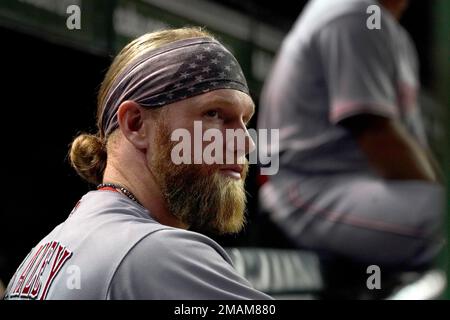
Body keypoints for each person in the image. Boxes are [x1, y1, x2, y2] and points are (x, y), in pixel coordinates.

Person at [3, 27, 272, 300]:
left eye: (245, 121)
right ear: (136, 124)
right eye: (214, 114)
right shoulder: (157, 253)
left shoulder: (38, 259)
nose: (246, 143)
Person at [258, 0, 444, 273]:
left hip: (359, 186)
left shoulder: (393, 33)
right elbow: (378, 136)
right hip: (310, 189)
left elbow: (412, 146)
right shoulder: (350, 11)